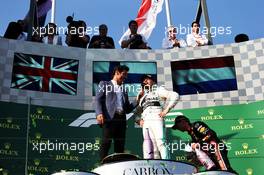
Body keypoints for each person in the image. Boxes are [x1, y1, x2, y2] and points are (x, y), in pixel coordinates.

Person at [96, 65, 138, 161]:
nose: (125, 77)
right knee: (106, 142)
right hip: (110, 118)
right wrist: (99, 113)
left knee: (120, 145)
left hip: (122, 119)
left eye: (126, 75)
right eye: (124, 74)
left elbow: (127, 109)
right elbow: (98, 99)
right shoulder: (105, 84)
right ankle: (101, 165)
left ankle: (119, 164)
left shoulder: (124, 89)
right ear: (116, 73)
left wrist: (137, 100)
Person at [134, 75, 179, 159]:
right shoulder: (142, 96)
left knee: (161, 142)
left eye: (147, 79)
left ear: (153, 81)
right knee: (151, 147)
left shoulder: (158, 89)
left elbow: (175, 95)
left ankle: (167, 164)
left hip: (156, 118)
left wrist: (166, 110)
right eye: (144, 80)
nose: (145, 81)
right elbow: (136, 113)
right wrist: (139, 120)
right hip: (146, 121)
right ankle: (155, 168)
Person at [171, 115, 236, 173]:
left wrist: (199, 143)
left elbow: (210, 134)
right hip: (211, 153)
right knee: (217, 171)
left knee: (225, 170)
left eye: (177, 126)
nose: (178, 128)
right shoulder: (191, 133)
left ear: (183, 122)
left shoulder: (196, 125)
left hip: (216, 148)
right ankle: (210, 166)